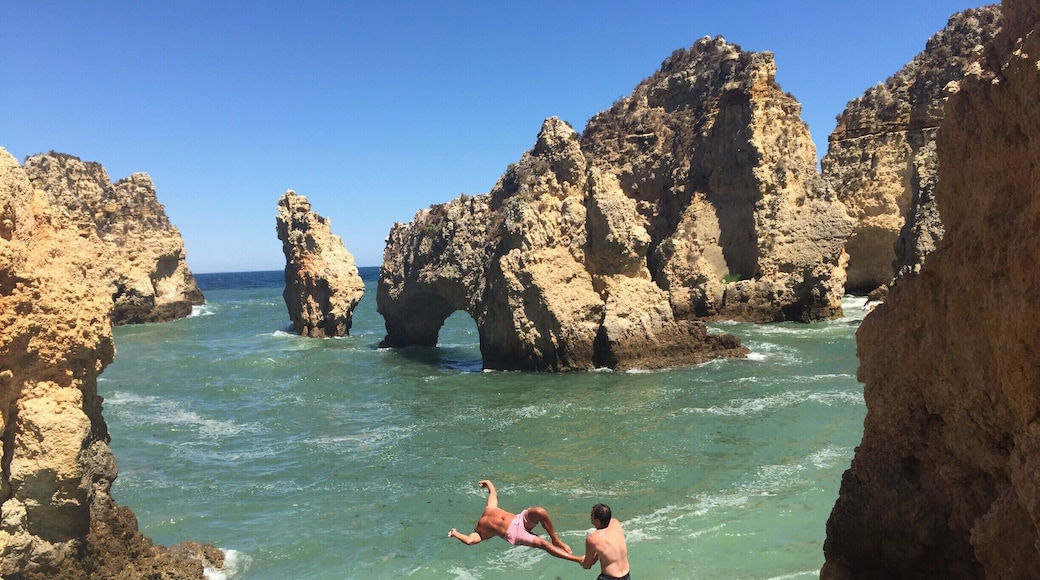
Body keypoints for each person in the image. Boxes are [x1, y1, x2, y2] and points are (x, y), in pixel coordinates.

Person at [448, 480, 580, 563]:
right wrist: (456, 533)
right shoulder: (479, 534)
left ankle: (556, 539)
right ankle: (578, 559)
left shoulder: (488, 509)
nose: (474, 525)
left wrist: (488, 483)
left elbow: (493, 494)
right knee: (543, 544)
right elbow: (469, 541)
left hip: (520, 518)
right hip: (514, 534)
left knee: (540, 511)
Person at [577, 503, 630, 580]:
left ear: (597, 521)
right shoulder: (616, 523)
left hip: (609, 578)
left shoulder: (592, 539)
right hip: (626, 576)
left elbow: (587, 565)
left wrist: (583, 562)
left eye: (591, 515)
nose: (590, 517)